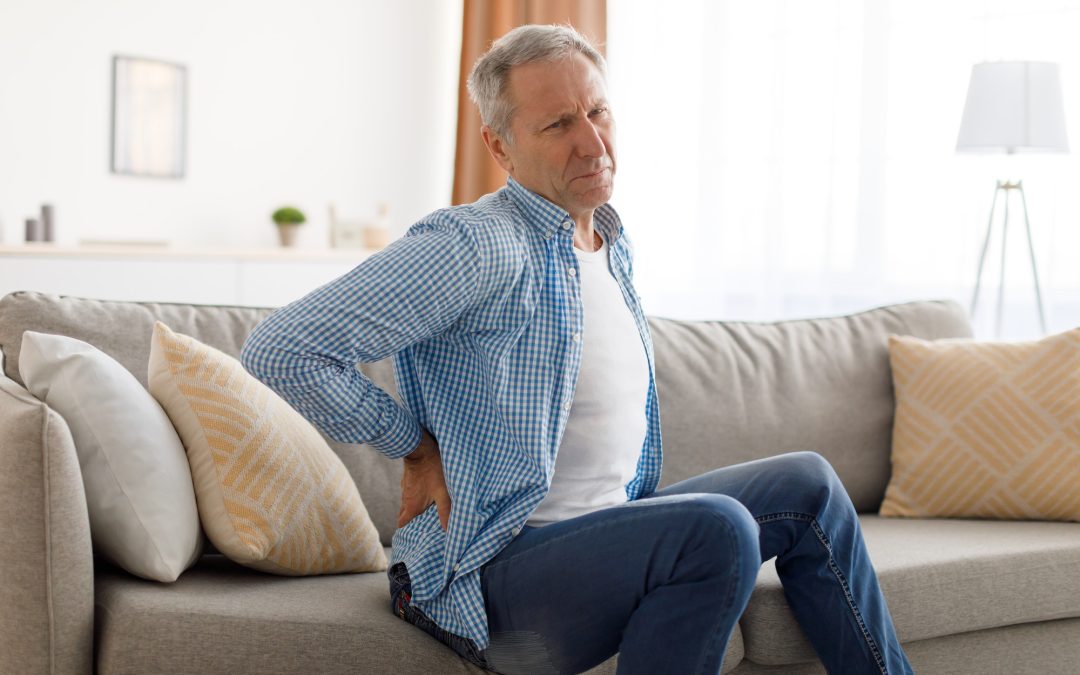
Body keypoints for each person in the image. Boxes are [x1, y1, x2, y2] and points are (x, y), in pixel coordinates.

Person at [241, 24, 914, 675]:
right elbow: (283, 347)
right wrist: (413, 444)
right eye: (558, 124)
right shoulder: (476, 245)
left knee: (813, 486)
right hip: (492, 572)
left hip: (601, 535)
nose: (593, 142)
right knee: (717, 528)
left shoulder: (608, 244)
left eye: (598, 111)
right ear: (500, 148)